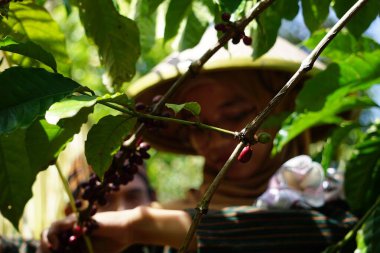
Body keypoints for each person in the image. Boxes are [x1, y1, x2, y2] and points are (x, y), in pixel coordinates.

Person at [39, 31, 357, 253]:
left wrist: (138, 225)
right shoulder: (157, 226)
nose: (218, 141)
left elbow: (309, 232)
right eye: (198, 128)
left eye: (235, 115)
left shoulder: (334, 201)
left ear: (282, 111)